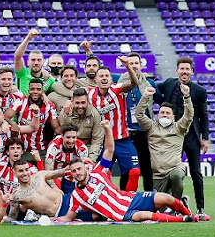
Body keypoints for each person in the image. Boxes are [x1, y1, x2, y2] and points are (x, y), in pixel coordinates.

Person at [58, 121, 208, 223]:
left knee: (166, 198)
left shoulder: (98, 172)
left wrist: (108, 130)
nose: (77, 172)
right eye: (74, 171)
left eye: (79, 169)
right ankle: (187, 219)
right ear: (71, 174)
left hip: (130, 198)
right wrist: (49, 220)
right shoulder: (76, 196)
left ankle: (189, 213)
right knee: (146, 216)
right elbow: (68, 217)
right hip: (122, 215)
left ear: (85, 168)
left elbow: (110, 149)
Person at [156, 57, 209, 217]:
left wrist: (204, 137)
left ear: (192, 72)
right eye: (182, 69)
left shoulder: (199, 91)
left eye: (187, 69)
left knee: (196, 172)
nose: (184, 71)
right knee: (170, 172)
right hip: (172, 137)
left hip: (191, 136)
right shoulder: (168, 84)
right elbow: (154, 91)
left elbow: (203, 115)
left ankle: (200, 208)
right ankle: (172, 204)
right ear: (177, 70)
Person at [87, 58, 140, 192]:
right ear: (96, 80)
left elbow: (134, 82)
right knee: (101, 176)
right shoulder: (88, 94)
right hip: (102, 142)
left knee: (134, 172)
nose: (104, 78)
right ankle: (107, 203)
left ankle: (128, 202)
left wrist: (128, 66)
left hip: (122, 139)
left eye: (107, 76)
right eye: (101, 76)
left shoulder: (118, 89)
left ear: (111, 79)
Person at [137, 85, 194, 204]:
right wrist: (146, 96)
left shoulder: (179, 128)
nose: (164, 115)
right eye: (162, 112)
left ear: (173, 116)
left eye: (168, 113)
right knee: (159, 208)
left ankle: (177, 204)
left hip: (175, 168)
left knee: (176, 176)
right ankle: (182, 202)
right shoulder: (151, 127)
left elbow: (188, 116)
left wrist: (187, 97)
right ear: (158, 114)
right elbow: (139, 115)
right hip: (157, 175)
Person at [117, 52, 163, 192]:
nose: (134, 66)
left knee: (147, 169)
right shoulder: (120, 83)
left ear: (141, 65)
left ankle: (149, 199)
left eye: (136, 63)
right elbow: (99, 74)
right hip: (126, 133)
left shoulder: (150, 83)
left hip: (144, 132)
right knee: (127, 170)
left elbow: (162, 102)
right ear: (126, 66)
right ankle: (123, 200)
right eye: (130, 63)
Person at [4, 78, 60, 156]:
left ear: (42, 91)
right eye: (32, 89)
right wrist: (12, 123)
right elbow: (5, 116)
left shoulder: (49, 106)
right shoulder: (21, 101)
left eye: (38, 89)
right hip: (21, 148)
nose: (35, 92)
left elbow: (56, 128)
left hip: (40, 148)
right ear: (28, 91)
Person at [58, 88, 103, 161]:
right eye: (77, 103)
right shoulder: (66, 111)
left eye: (83, 102)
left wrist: (90, 160)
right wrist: (66, 115)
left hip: (87, 148)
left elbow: (97, 141)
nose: (80, 106)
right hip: (68, 146)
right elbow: (63, 134)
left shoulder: (94, 114)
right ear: (72, 101)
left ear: (87, 102)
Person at [45, 126, 89, 194]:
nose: (71, 141)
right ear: (62, 136)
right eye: (68, 137)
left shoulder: (82, 149)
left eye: (74, 137)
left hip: (70, 176)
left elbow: (83, 170)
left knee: (69, 199)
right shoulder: (54, 147)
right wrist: (55, 188)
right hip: (55, 175)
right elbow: (48, 171)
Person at [13, 29, 54, 95]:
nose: (36, 63)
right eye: (33, 60)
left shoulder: (48, 79)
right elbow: (17, 56)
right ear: (28, 62)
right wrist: (28, 38)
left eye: (39, 60)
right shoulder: (23, 73)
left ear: (43, 62)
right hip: (22, 104)